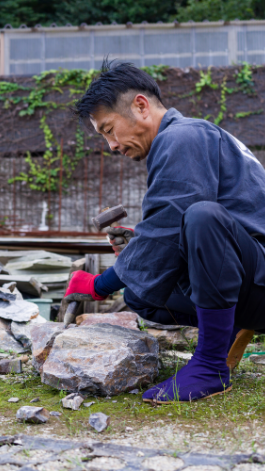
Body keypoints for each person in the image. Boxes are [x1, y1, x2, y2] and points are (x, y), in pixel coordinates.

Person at [64, 58, 265, 404]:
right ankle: (228, 329)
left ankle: (211, 367)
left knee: (202, 217)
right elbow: (170, 227)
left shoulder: (182, 136)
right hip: (249, 275)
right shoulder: (186, 138)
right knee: (141, 295)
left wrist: (99, 284)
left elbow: (176, 218)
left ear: (140, 106)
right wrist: (138, 247)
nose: (111, 146)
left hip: (259, 276)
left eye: (109, 130)